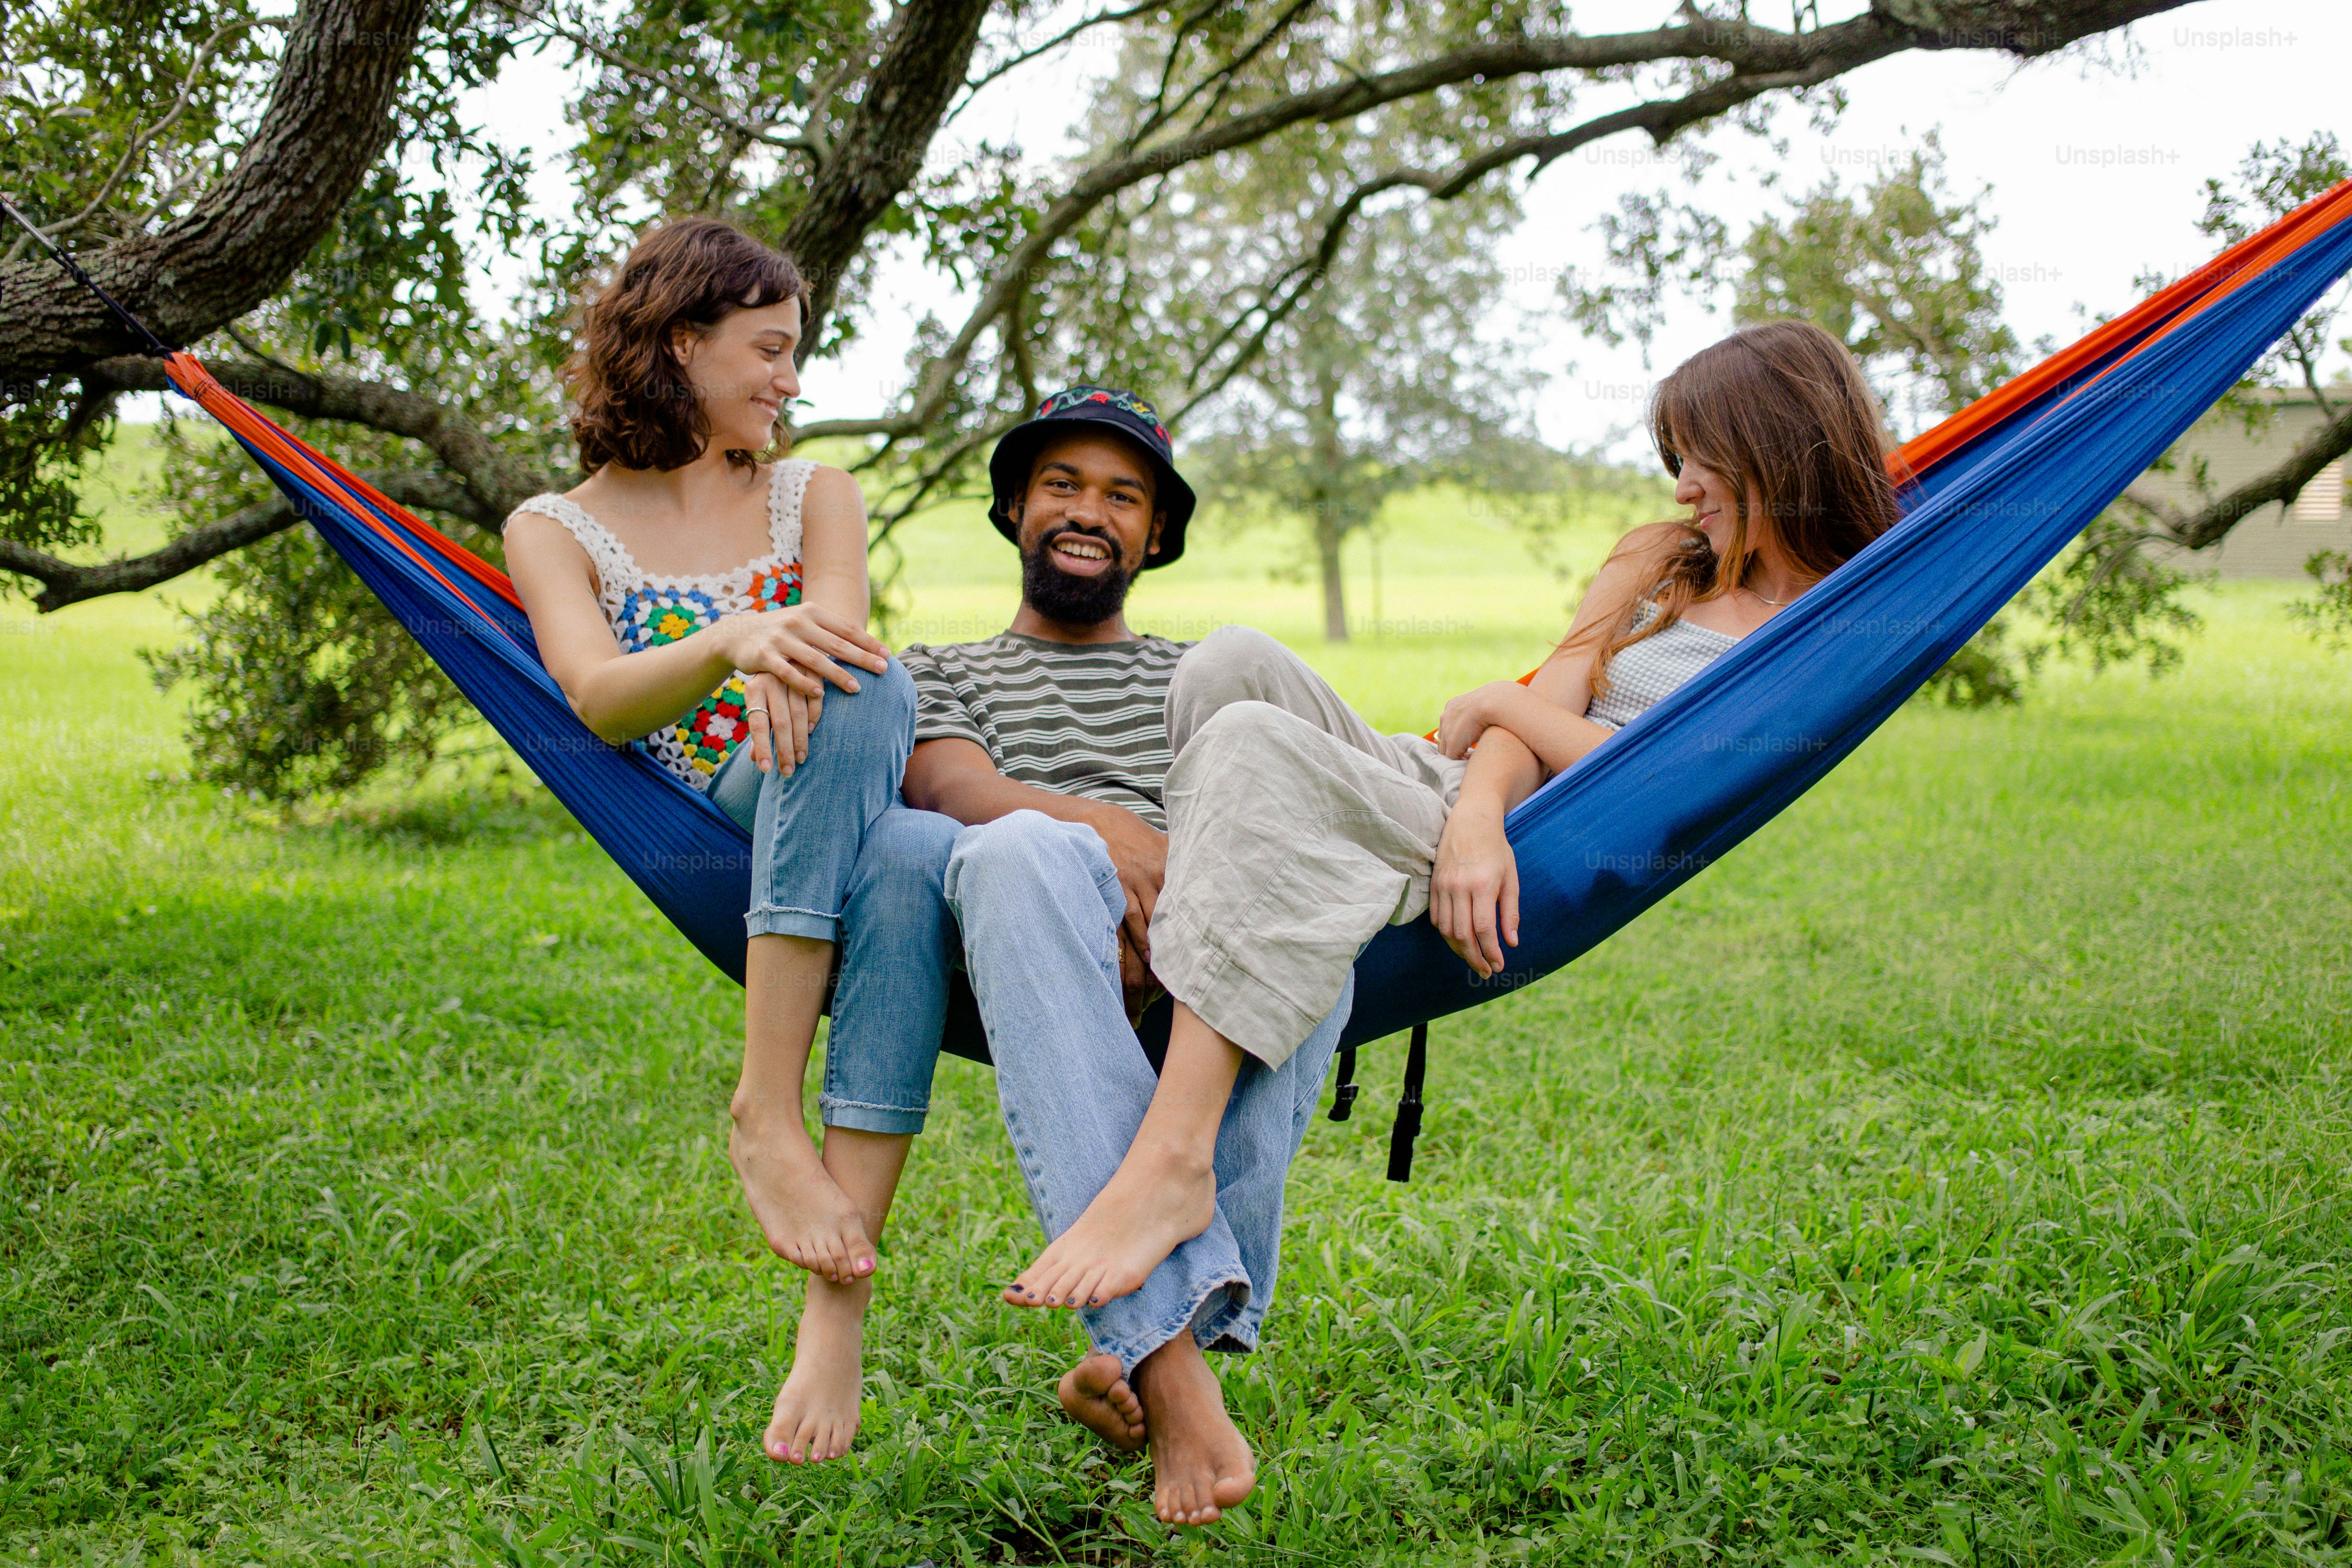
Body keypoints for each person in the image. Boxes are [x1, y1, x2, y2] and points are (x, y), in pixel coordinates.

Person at [1003, 319, 1906, 1365]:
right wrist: (1478, 816)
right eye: (1674, 460)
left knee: (1249, 744)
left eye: (1697, 458)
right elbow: (1545, 700)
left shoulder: (1836, 623)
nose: (1679, 488)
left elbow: (1666, 775)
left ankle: (1171, 1160)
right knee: (1227, 665)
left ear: (1770, 445)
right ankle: (1206, 940)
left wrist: (1497, 714)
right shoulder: (1663, 558)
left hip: (1562, 829)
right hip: (1459, 799)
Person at [502, 217, 960, 1469]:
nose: (788, 379)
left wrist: (783, 643)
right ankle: (767, 1107)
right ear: (682, 340)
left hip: (823, 794)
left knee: (907, 838)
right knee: (859, 696)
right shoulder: (557, 526)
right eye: (766, 348)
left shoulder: (815, 494)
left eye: (796, 353)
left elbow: (839, 648)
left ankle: (830, 1296)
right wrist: (727, 641)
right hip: (707, 815)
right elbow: (595, 694)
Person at [888, 386, 1347, 1525]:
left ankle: (1132, 1346)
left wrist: (1183, 887)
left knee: (1313, 920)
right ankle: (1176, 1369)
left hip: (1209, 953)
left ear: (1156, 535)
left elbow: (1285, 813)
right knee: (1013, 853)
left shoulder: (1201, 672)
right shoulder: (940, 667)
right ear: (1012, 508)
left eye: (1122, 494)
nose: (1088, 510)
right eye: (1061, 484)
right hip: (1035, 937)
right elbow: (954, 789)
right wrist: (1109, 833)